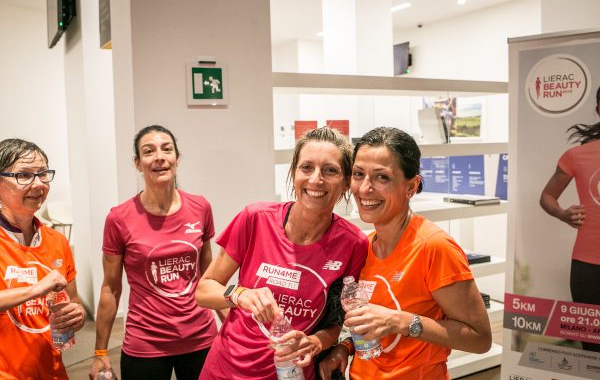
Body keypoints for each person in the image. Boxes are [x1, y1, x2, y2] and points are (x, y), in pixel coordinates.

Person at [195, 127, 368, 380]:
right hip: (225, 369)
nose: (316, 179)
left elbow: (336, 322)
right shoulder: (255, 219)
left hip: (291, 373)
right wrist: (240, 294)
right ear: (293, 173)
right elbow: (204, 290)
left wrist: (316, 342)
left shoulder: (353, 243)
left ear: (345, 183)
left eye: (330, 170)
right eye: (306, 167)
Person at [319, 127, 492, 380]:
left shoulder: (434, 247)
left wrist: (400, 321)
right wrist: (346, 347)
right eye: (358, 174)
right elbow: (377, 326)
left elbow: (480, 339)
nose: (365, 188)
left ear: (412, 186)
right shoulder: (364, 246)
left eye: (382, 177)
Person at [91, 125, 220, 379]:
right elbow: (110, 288)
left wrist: (231, 325)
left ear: (177, 159)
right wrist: (100, 352)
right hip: (145, 342)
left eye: (167, 149)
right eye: (148, 151)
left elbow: (209, 276)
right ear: (138, 164)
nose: (159, 157)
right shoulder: (119, 218)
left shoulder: (200, 207)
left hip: (200, 337)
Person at [0, 138, 86, 379]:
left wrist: (76, 315)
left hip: (52, 372)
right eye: (24, 175)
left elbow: (74, 301)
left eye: (43, 174)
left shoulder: (56, 241)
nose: (38, 184)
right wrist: (36, 289)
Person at [540, 86, 600, 352]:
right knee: (592, 344)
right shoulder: (577, 155)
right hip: (588, 267)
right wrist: (563, 214)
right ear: (599, 110)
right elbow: (547, 196)